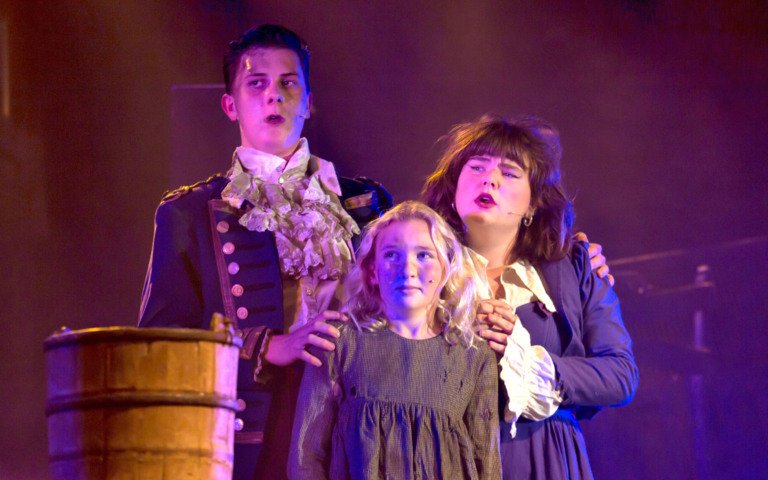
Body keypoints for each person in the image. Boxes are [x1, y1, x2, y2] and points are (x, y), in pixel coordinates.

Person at [137, 24, 392, 480]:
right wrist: (266, 347)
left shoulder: (367, 203)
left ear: (309, 101)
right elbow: (160, 348)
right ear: (230, 104)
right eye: (257, 84)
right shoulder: (189, 212)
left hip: (358, 428)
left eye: (288, 83)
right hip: (255, 432)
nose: (274, 96)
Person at [422, 114, 639, 479]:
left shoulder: (576, 267)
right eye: (476, 166)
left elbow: (620, 375)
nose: (490, 178)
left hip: (546, 457)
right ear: (453, 187)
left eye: (509, 173)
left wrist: (530, 360)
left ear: (533, 204)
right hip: (446, 456)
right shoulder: (421, 268)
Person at [289, 201, 501, 479]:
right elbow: (306, 456)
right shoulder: (340, 342)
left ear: (447, 268)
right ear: (373, 271)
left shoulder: (473, 356)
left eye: (424, 255)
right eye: (391, 254)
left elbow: (486, 461)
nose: (408, 269)